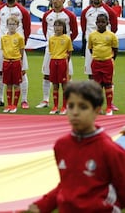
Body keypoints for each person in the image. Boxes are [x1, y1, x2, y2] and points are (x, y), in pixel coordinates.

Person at [27, 81, 125, 213]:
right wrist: (42, 206)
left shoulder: (110, 150)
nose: (75, 112)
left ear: (96, 110)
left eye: (83, 107)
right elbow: (66, 185)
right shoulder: (61, 145)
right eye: (71, 106)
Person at [36, 0, 78, 109]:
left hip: (64, 51)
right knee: (46, 74)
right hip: (50, 50)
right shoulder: (47, 15)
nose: (55, 1)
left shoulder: (70, 16)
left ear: (63, 1)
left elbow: (74, 32)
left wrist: (65, 43)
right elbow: (45, 31)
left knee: (67, 76)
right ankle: (45, 100)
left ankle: (69, 101)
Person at [0, 0, 31, 109]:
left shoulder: (22, 10)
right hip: (2, 47)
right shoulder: (0, 10)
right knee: (0, 73)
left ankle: (24, 100)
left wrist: (20, 44)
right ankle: (0, 100)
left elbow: (27, 28)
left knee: (22, 72)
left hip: (17, 47)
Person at [80, 0, 117, 80]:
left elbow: (114, 28)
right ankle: (92, 93)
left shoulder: (109, 11)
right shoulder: (85, 11)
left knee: (107, 74)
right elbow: (83, 27)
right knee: (90, 73)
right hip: (91, 45)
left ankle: (108, 93)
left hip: (105, 45)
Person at [88, 13, 118, 116]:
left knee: (108, 84)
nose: (100, 24)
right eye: (99, 22)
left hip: (107, 63)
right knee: (98, 86)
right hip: (96, 63)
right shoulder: (92, 35)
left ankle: (109, 107)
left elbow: (115, 50)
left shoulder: (111, 35)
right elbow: (91, 49)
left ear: (107, 23)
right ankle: (99, 107)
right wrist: (98, 57)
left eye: (103, 22)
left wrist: (109, 59)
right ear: (96, 23)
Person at [48, 19, 73, 115]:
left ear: (63, 28)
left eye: (60, 26)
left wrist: (65, 61)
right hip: (53, 61)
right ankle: (55, 106)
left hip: (62, 62)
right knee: (55, 84)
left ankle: (64, 106)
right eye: (56, 26)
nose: (57, 28)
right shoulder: (51, 39)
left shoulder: (66, 39)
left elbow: (69, 52)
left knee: (64, 85)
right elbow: (51, 51)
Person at [1, 16, 25, 113]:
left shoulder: (19, 37)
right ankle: (9, 104)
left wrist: (20, 61)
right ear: (7, 25)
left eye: (14, 24)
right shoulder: (3, 38)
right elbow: (3, 50)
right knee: (8, 84)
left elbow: (21, 50)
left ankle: (15, 105)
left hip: (15, 62)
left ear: (17, 26)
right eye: (10, 24)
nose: (12, 26)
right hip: (6, 62)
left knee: (16, 84)